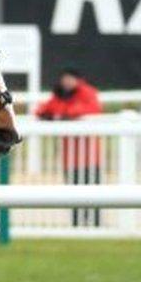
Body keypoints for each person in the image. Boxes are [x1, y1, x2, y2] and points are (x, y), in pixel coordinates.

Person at [35, 68, 103, 226]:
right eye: (64, 79)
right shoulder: (60, 94)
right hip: (70, 156)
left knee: (93, 192)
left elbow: (92, 109)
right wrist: (53, 115)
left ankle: (95, 223)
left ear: (77, 80)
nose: (66, 82)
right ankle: (76, 223)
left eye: (69, 79)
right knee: (73, 191)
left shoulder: (87, 92)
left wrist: (61, 114)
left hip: (90, 155)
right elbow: (43, 110)